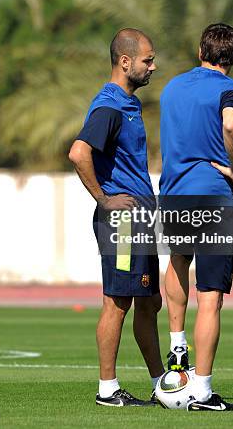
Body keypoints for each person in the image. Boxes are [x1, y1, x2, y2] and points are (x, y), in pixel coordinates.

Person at [68, 28, 164, 407]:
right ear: (125, 62)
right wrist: (104, 199)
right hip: (123, 221)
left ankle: (160, 384)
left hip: (138, 219)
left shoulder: (129, 103)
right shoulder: (109, 105)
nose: (153, 66)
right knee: (117, 302)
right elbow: (78, 153)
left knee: (148, 301)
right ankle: (107, 389)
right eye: (147, 60)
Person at [159, 23, 233, 412]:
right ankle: (202, 391)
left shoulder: (172, 87)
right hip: (212, 194)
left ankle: (178, 351)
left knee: (178, 260)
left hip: (174, 192)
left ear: (200, 51)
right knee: (210, 294)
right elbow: (231, 124)